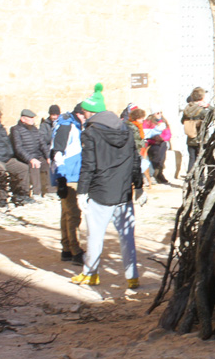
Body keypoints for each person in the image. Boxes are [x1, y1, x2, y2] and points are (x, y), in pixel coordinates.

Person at [73, 83, 143, 289]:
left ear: (90, 112)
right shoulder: (126, 130)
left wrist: (81, 191)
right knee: (127, 237)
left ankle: (90, 274)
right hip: (123, 191)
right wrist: (138, 186)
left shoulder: (90, 133)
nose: (83, 115)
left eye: (84, 111)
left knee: (95, 235)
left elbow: (88, 165)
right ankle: (132, 277)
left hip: (101, 192)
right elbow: (135, 159)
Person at [51, 103, 86, 265]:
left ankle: (66, 248)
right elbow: (58, 152)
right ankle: (75, 250)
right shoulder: (67, 126)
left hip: (69, 173)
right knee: (73, 213)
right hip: (68, 174)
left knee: (66, 212)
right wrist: (61, 178)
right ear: (79, 114)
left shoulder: (69, 124)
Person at [11, 109, 50, 198]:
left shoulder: (34, 129)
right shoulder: (16, 130)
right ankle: (37, 193)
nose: (33, 120)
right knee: (34, 165)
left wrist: (48, 156)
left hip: (37, 155)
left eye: (33, 118)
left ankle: (51, 191)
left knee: (49, 165)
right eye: (31, 118)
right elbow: (18, 148)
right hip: (25, 158)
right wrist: (30, 159)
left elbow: (42, 144)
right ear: (23, 119)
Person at [182, 87, 211, 173]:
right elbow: (214, 114)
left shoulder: (187, 108)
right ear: (202, 97)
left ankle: (190, 177)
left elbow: (182, 121)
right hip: (200, 138)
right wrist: (208, 106)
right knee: (201, 159)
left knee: (192, 158)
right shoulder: (201, 110)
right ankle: (200, 178)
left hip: (190, 138)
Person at [38, 104, 61, 195]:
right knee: (49, 165)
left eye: (56, 115)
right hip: (47, 151)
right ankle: (51, 190)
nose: (55, 117)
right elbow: (42, 141)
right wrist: (48, 155)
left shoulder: (62, 123)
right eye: (53, 115)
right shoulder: (44, 125)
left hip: (58, 150)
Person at [143, 111, 171, 184]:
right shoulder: (148, 122)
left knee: (162, 150)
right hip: (152, 143)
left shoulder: (164, 122)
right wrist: (155, 140)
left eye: (160, 113)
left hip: (162, 142)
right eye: (157, 113)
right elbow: (145, 135)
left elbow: (168, 134)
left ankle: (159, 172)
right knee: (157, 152)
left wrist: (162, 139)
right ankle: (156, 173)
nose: (159, 115)